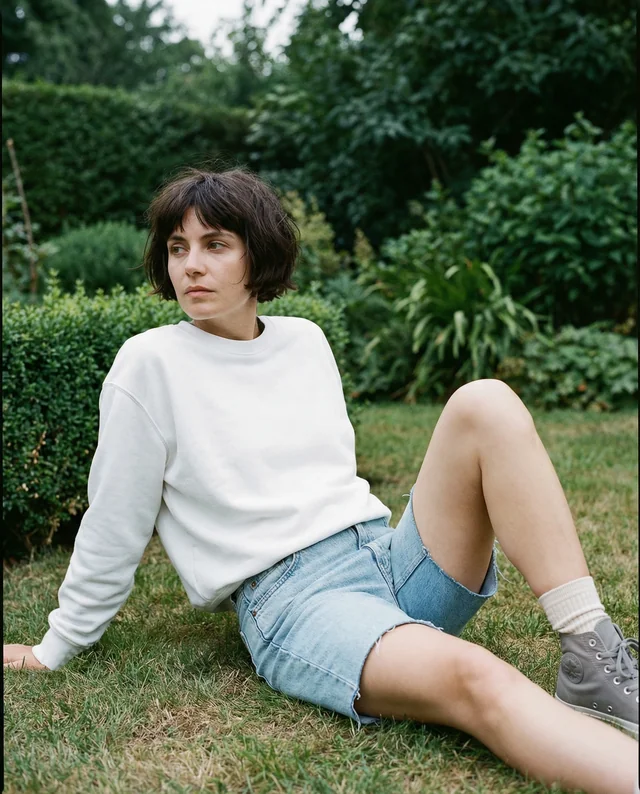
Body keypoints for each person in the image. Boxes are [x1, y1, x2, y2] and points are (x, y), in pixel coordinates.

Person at [4, 167, 638, 794]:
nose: (190, 265)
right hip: (297, 603)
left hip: (387, 560)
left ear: (260, 255)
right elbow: (115, 522)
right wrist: (55, 646)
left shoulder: (305, 341)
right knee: (480, 678)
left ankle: (590, 649)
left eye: (215, 245)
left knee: (486, 402)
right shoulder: (149, 365)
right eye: (178, 248)